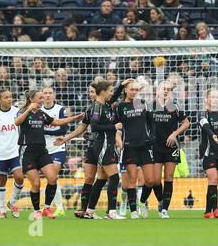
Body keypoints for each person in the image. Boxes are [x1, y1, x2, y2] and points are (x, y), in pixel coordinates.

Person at [55, 79, 129, 218]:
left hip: (101, 145)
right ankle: (111, 212)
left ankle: (89, 210)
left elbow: (82, 127)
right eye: (110, 91)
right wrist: (114, 127)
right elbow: (94, 127)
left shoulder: (104, 105)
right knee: (113, 178)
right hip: (103, 145)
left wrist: (121, 86)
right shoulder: (96, 108)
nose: (112, 94)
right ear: (103, 92)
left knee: (100, 179)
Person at [14, 90, 83, 220]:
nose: (42, 100)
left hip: (42, 151)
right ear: (32, 99)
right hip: (27, 151)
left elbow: (56, 122)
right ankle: (36, 211)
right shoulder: (22, 111)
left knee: (52, 178)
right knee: (36, 184)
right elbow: (17, 122)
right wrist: (28, 110)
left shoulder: (41, 113)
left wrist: (74, 118)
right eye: (40, 98)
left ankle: (47, 208)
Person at [115, 80, 156, 219]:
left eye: (135, 90)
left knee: (150, 180)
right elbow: (116, 124)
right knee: (131, 179)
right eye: (131, 89)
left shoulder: (142, 103)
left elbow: (151, 122)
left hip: (145, 145)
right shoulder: (120, 107)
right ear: (126, 90)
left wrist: (152, 137)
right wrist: (120, 85)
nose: (133, 92)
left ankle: (142, 202)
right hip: (129, 146)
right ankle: (133, 211)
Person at [152, 81, 190, 219]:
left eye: (168, 89)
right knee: (155, 180)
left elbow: (186, 122)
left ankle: (164, 209)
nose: (166, 91)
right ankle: (160, 200)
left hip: (171, 147)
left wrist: (175, 134)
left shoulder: (175, 106)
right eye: (164, 88)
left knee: (169, 177)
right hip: (155, 147)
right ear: (158, 90)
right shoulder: (150, 106)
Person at [0, 90, 24, 219]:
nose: (9, 99)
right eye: (6, 97)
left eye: (10, 96)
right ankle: (2, 210)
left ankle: (12, 203)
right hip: (0, 153)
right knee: (1, 181)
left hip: (15, 152)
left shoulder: (17, 112)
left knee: (19, 177)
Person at [199, 88, 218, 219]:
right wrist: (212, 135)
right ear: (207, 99)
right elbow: (205, 126)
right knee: (213, 179)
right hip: (208, 152)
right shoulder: (203, 114)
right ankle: (215, 209)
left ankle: (207, 211)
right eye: (213, 96)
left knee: (214, 183)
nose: (215, 99)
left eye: (217, 96)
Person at [41, 86, 68, 217]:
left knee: (53, 176)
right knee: (51, 178)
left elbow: (63, 130)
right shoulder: (38, 110)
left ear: (54, 95)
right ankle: (54, 207)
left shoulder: (60, 109)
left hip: (58, 147)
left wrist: (44, 131)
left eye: (50, 93)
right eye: (45, 93)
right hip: (43, 148)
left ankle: (57, 207)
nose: (47, 95)